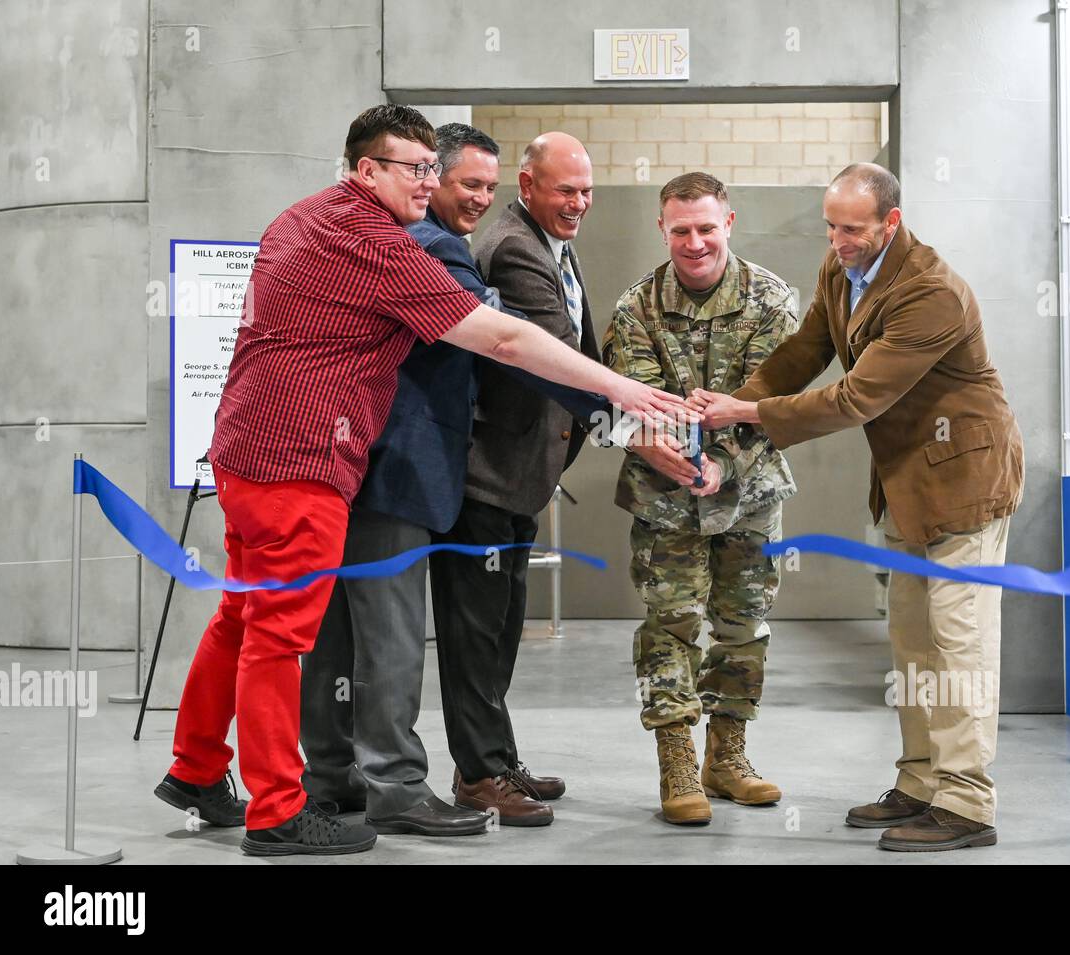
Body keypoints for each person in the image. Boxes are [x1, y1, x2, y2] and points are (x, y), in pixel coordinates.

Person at [152, 106, 686, 856]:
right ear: (367, 170)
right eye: (417, 169)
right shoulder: (379, 244)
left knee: (242, 613)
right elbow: (500, 335)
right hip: (301, 459)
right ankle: (277, 810)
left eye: (435, 168)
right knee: (279, 635)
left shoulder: (303, 216)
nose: (430, 184)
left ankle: (197, 768)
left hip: (245, 447)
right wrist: (621, 392)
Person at [298, 123, 623, 838]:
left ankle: (332, 773)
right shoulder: (429, 247)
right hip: (396, 469)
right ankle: (397, 784)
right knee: (390, 637)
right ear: (375, 170)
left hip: (344, 461)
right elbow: (509, 344)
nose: (466, 194)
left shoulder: (329, 228)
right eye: (435, 175)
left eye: (485, 184)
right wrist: (629, 411)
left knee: (339, 635)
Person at [691, 162, 1024, 852]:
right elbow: (805, 350)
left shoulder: (931, 291)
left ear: (890, 223)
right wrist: (734, 413)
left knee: (959, 645)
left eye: (852, 229)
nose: (837, 241)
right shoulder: (842, 269)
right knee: (912, 641)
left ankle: (966, 802)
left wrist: (749, 411)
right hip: (908, 482)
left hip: (966, 479)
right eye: (831, 227)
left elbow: (855, 397)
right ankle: (921, 780)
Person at [604, 172, 799, 826]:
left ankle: (727, 753)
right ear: (663, 229)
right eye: (680, 230)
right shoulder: (635, 310)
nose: (694, 243)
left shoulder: (773, 301)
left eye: (706, 228)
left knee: (744, 624)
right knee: (673, 623)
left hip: (748, 492)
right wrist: (659, 451)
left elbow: (772, 405)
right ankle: (677, 759)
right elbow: (625, 409)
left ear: (729, 223)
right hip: (664, 500)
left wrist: (719, 464)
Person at [431, 131, 614, 826]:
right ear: (530, 186)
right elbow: (558, 359)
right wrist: (636, 423)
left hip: (522, 475)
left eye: (587, 190)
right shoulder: (512, 245)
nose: (579, 203)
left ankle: (494, 757)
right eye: (565, 190)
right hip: (486, 476)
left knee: (502, 629)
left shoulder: (550, 245)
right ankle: (478, 775)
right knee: (475, 632)